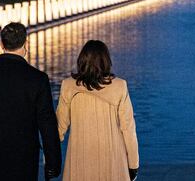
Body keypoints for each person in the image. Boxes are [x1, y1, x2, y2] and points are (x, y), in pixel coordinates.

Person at [0, 22, 62, 181]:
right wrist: (53, 163)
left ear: (1, 44)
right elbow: (46, 123)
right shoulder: (37, 79)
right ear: (26, 43)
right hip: (22, 160)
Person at [56, 40, 139, 181]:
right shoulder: (119, 86)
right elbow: (128, 129)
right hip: (113, 160)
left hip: (80, 158)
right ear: (106, 60)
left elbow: (59, 128)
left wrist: (50, 159)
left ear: (82, 60)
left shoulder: (68, 86)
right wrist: (133, 164)